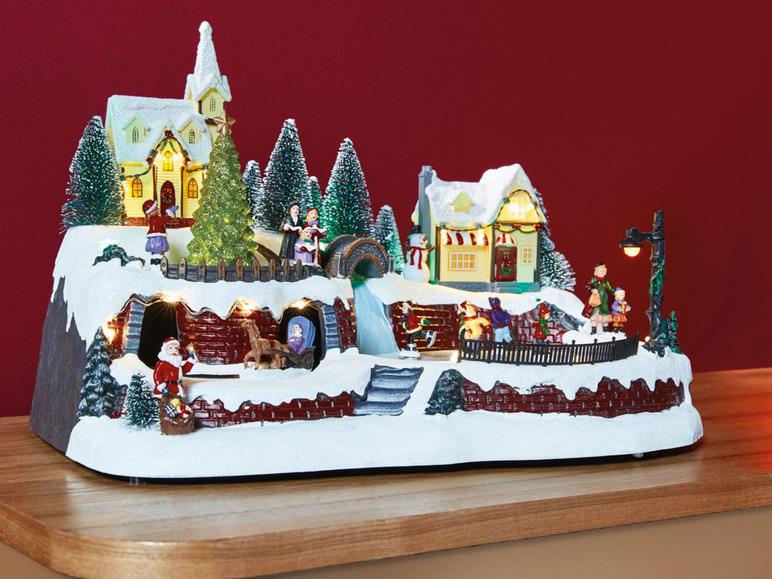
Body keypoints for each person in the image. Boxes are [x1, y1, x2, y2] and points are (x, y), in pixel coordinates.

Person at [143, 199, 178, 265]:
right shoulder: (156, 220)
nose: (158, 209)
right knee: (159, 250)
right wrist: (169, 213)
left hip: (154, 239)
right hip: (158, 239)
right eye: (156, 208)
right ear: (152, 211)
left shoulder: (152, 220)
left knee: (155, 252)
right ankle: (158, 262)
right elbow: (163, 220)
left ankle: (154, 261)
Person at [584, 262, 615, 333]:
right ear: (596, 271)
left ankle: (605, 330)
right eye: (600, 271)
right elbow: (588, 286)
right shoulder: (594, 279)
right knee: (595, 314)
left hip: (604, 299)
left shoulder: (605, 281)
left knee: (605, 314)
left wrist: (617, 292)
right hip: (596, 298)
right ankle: (593, 330)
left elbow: (610, 288)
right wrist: (592, 290)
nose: (602, 272)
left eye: (603, 271)